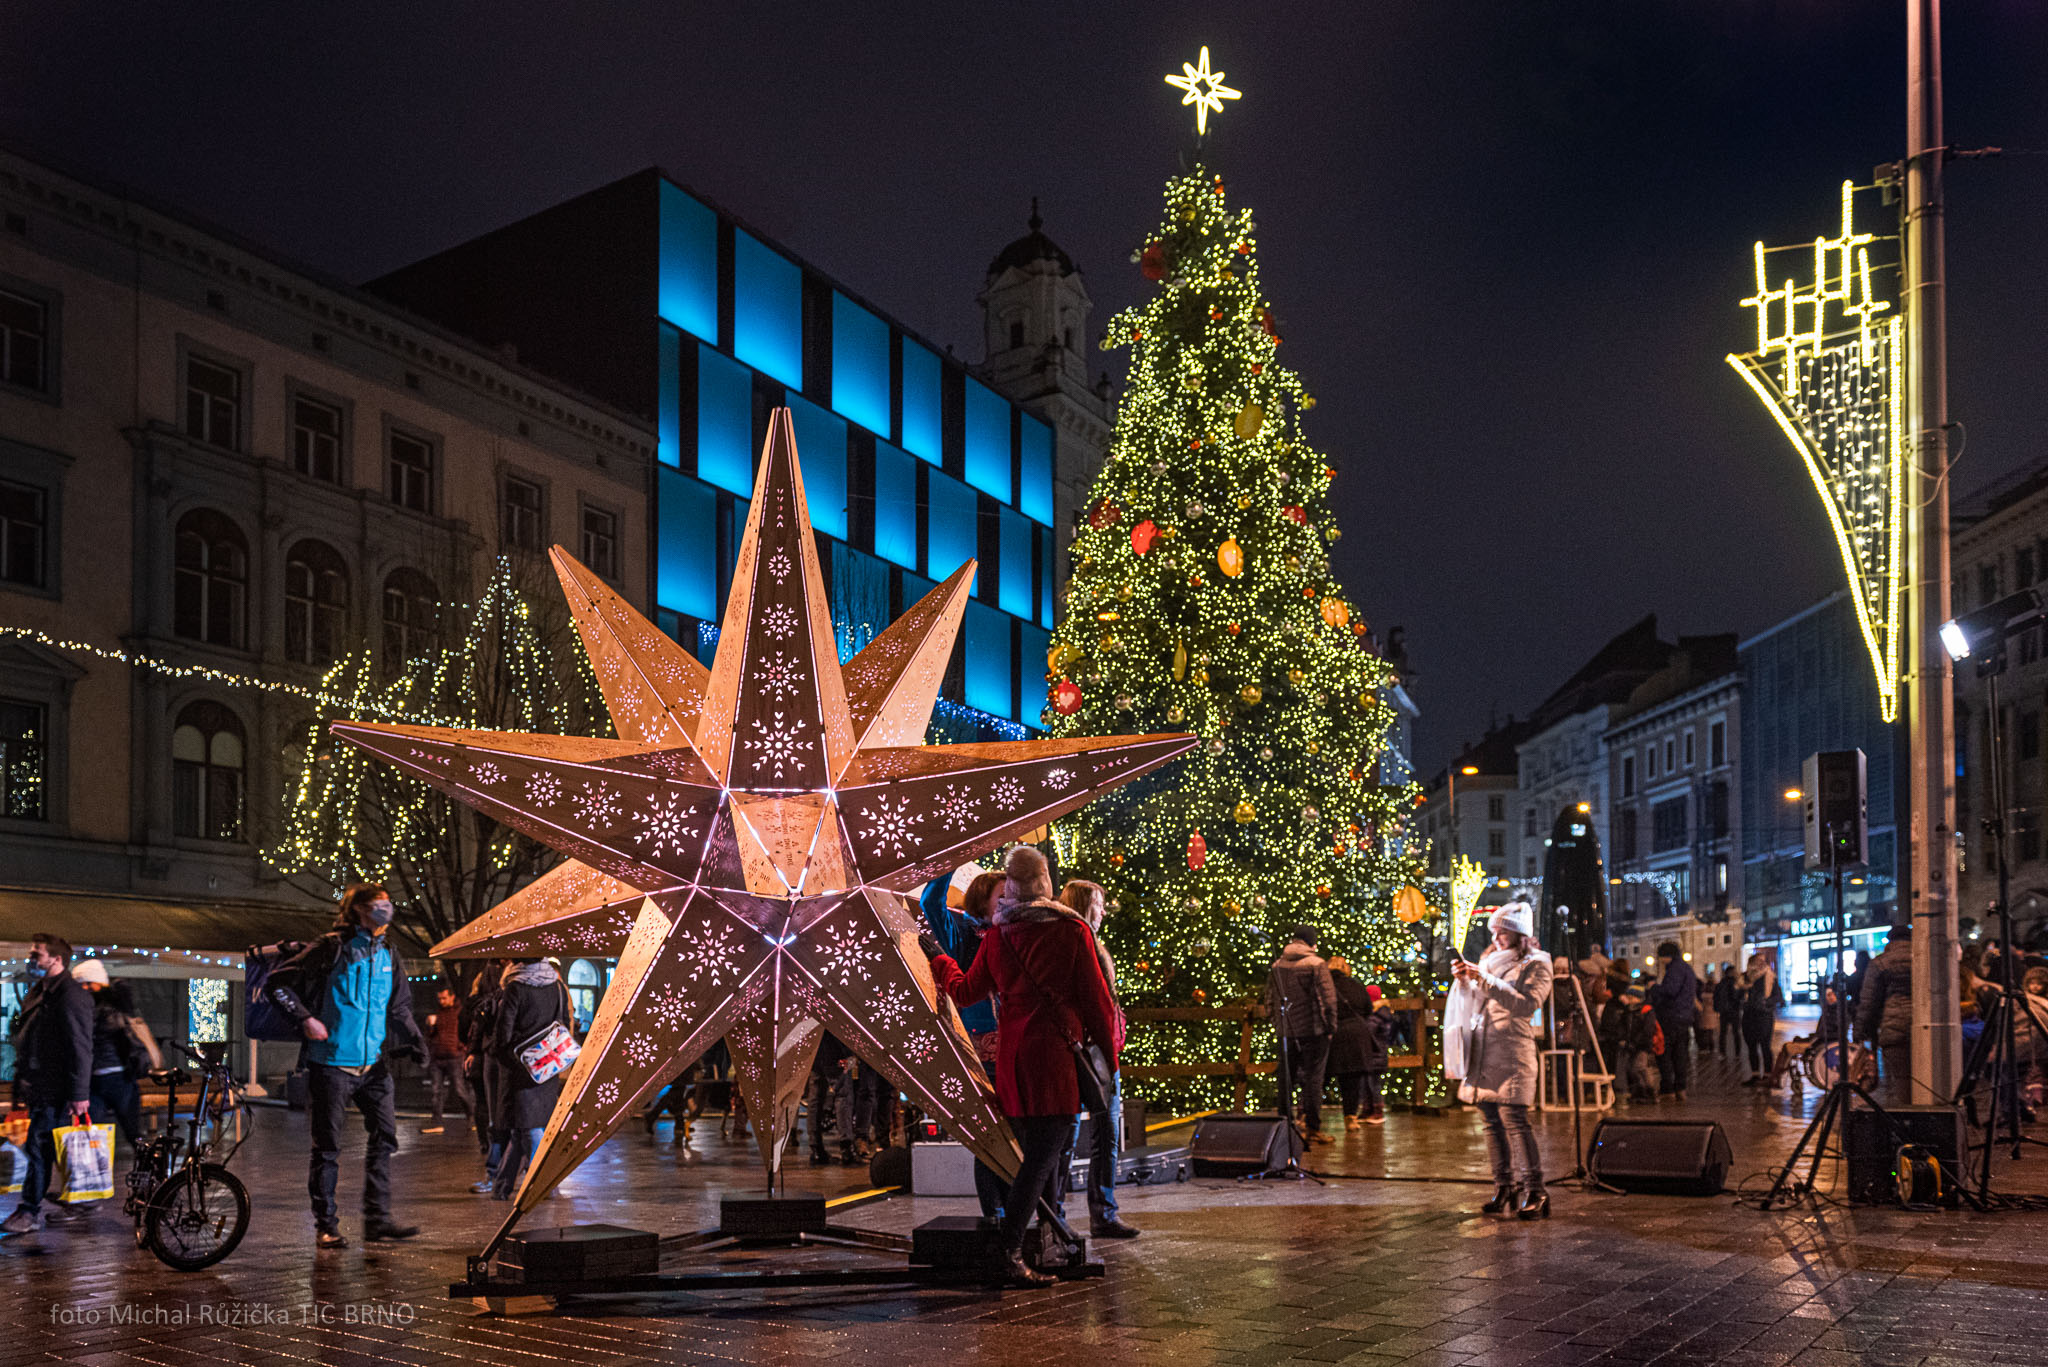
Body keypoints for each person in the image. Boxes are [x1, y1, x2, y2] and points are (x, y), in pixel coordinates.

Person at [924, 845, 1120, 1287]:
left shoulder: (998, 935)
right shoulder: (1072, 931)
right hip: (1052, 1062)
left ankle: (1048, 1243)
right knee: (1044, 1158)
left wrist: (939, 959)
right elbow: (1097, 1004)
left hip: (1014, 1063)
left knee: (1036, 1155)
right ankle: (1011, 1249)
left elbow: (966, 990)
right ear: (1045, 881)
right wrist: (1108, 1060)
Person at [266, 883, 427, 1247]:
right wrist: (305, 1018)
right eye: (378, 904)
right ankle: (326, 1225)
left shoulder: (389, 952)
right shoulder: (332, 947)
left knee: (385, 1137)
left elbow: (399, 1007)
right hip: (332, 1065)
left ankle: (377, 1220)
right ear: (359, 910)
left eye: (388, 903)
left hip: (373, 1066)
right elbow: (278, 983)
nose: (386, 909)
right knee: (327, 1148)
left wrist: (417, 1041)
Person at [1455, 903, 1553, 1219]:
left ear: (1520, 933)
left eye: (1503, 931)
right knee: (1490, 1122)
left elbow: (1525, 1005)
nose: (1496, 937)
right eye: (1494, 931)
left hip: (1512, 1052)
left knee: (1515, 1121)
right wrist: (1465, 980)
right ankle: (1504, 1186)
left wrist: (1482, 978)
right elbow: (1478, 1001)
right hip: (1484, 1050)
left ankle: (1536, 1190)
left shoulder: (1537, 963)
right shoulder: (1488, 960)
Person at [1055, 878, 1137, 1239]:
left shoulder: (1086, 942)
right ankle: (1091, 1213)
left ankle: (1077, 1213)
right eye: (1100, 904)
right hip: (1090, 1053)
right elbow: (1096, 1003)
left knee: (1092, 1133)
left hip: (1091, 1050)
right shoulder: (1080, 943)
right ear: (1086, 905)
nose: (1104, 911)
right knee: (1088, 1133)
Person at [925, 868, 1008, 1215]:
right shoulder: (962, 933)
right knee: (990, 1138)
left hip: (1014, 1049)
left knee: (1018, 1136)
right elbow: (932, 903)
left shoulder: (1012, 935)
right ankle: (996, 1216)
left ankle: (1017, 1215)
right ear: (982, 898)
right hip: (980, 1052)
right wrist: (953, 859)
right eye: (1001, 897)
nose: (1008, 902)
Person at [2, 934, 94, 1235]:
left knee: (39, 1149)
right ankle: (77, 1200)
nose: (31, 959)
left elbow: (80, 1047)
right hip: (38, 1086)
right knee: (41, 1149)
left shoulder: (69, 994)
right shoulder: (41, 991)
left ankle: (30, 1210)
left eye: (36, 954)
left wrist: (79, 1094)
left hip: (55, 1089)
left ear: (56, 959)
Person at [492, 957, 573, 1200]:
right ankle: (501, 1188)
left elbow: (503, 1036)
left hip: (521, 1069)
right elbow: (564, 1024)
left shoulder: (515, 987)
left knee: (529, 1127)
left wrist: (510, 1061)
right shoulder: (557, 986)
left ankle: (543, 1184)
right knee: (523, 1128)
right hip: (547, 1067)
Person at [74, 958, 162, 1159]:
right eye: (81, 985)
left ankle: (154, 1175)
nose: (86, 988)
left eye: (89, 983)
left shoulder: (115, 1005)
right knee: (90, 1134)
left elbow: (123, 992)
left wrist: (107, 990)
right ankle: (95, 1179)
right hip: (93, 1083)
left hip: (120, 1079)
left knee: (133, 1134)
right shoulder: (84, 1008)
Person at [1265, 925, 1339, 1145]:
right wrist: (1330, 1027)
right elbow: (1328, 999)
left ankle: (1284, 1127)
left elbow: (1270, 999)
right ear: (1310, 942)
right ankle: (1313, 1128)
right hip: (1314, 1031)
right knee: (1313, 1079)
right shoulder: (1317, 964)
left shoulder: (1277, 965)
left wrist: (1277, 1024)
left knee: (1285, 1079)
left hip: (1286, 1032)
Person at [458, 964, 505, 1192]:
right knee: (514, 1120)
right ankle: (526, 1175)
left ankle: (496, 1170)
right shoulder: (497, 996)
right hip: (502, 1058)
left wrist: (474, 1050)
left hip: (494, 1058)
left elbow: (468, 1027)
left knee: (494, 1113)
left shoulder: (483, 999)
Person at [1855, 925, 1914, 1103]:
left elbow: (1868, 1002)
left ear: (1890, 941)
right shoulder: (1925, 959)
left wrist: (1859, 1031)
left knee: (1900, 1082)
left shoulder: (1880, 963)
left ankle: (1904, 1123)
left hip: (1894, 1030)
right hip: (1926, 1029)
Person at [1326, 957, 1381, 1130]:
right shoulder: (1356, 985)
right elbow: (1368, 1009)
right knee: (1352, 1080)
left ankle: (1307, 1118)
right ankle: (1350, 1117)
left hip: (1332, 1035)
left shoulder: (1324, 985)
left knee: (1321, 1077)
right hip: (1357, 1036)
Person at [1646, 942, 1698, 1101]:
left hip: (1671, 1017)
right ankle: (1680, 1087)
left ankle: (1668, 1088)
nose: (1660, 961)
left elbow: (1670, 991)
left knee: (1665, 1052)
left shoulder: (1675, 969)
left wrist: (1653, 987)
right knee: (1680, 1054)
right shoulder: (1686, 969)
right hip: (1684, 1016)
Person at [420, 984, 470, 1135]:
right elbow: (430, 1036)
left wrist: (461, 1048)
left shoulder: (459, 1012)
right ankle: (437, 1122)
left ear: (452, 997)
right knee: (436, 1092)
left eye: (444, 998)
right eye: (439, 998)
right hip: (438, 1057)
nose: (442, 1001)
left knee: (459, 1089)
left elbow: (466, 1031)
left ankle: (472, 1116)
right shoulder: (439, 1014)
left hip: (454, 1056)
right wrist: (430, 1027)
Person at [1738, 951, 1782, 1084]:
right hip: (1749, 1016)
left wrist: (1765, 1003)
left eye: (1763, 961)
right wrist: (1741, 1001)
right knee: (1751, 1046)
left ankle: (1769, 1076)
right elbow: (1737, 994)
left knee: (1765, 1046)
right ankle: (1755, 1075)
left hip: (1764, 1016)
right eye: (1758, 961)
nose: (1761, 964)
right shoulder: (1744, 978)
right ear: (1751, 963)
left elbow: (1778, 997)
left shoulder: (1770, 977)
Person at [1713, 963, 1742, 1058]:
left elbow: (1716, 997)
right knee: (1735, 1033)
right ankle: (1737, 1053)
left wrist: (1717, 1009)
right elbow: (1736, 996)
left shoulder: (1721, 983)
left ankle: (1722, 1053)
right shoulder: (1735, 983)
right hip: (1733, 1010)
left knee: (1723, 1033)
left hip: (1724, 1011)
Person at [1696, 968, 1721, 1059]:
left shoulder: (1703, 996)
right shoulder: (1715, 996)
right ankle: (1711, 1047)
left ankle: (1705, 1047)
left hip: (1705, 1014)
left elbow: (1701, 1005)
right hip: (1713, 1014)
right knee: (1710, 1032)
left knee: (1704, 1032)